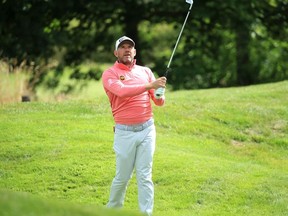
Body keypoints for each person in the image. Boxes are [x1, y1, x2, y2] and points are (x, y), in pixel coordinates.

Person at [101, 36, 167, 216]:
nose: (127, 50)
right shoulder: (110, 74)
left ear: (135, 52)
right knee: (122, 178)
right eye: (122, 47)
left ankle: (146, 213)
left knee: (145, 177)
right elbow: (121, 91)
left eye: (130, 47)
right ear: (116, 53)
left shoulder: (145, 71)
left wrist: (160, 93)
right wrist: (150, 85)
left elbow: (158, 102)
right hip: (125, 132)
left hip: (147, 130)